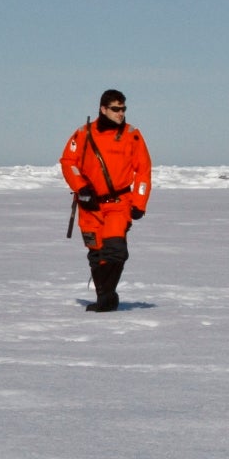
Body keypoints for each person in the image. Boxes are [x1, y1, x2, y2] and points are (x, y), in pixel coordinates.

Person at [59, 89, 152, 312]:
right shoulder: (83, 134)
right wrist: (81, 187)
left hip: (119, 204)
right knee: (97, 254)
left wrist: (139, 202)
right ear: (103, 109)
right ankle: (105, 299)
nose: (121, 113)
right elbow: (68, 162)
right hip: (90, 206)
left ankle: (107, 297)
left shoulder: (132, 135)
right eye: (116, 109)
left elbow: (143, 171)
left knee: (116, 251)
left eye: (123, 109)